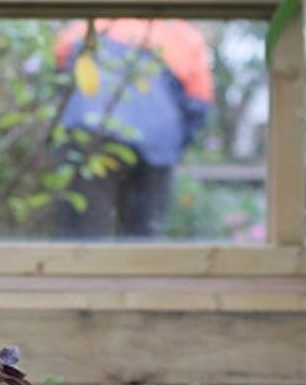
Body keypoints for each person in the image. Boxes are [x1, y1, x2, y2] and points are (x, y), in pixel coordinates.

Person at [51, 18, 213, 238]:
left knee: (83, 237)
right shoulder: (184, 35)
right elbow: (198, 104)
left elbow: (60, 72)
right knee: (144, 240)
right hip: (157, 138)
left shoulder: (87, 26)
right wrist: (173, 148)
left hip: (88, 130)